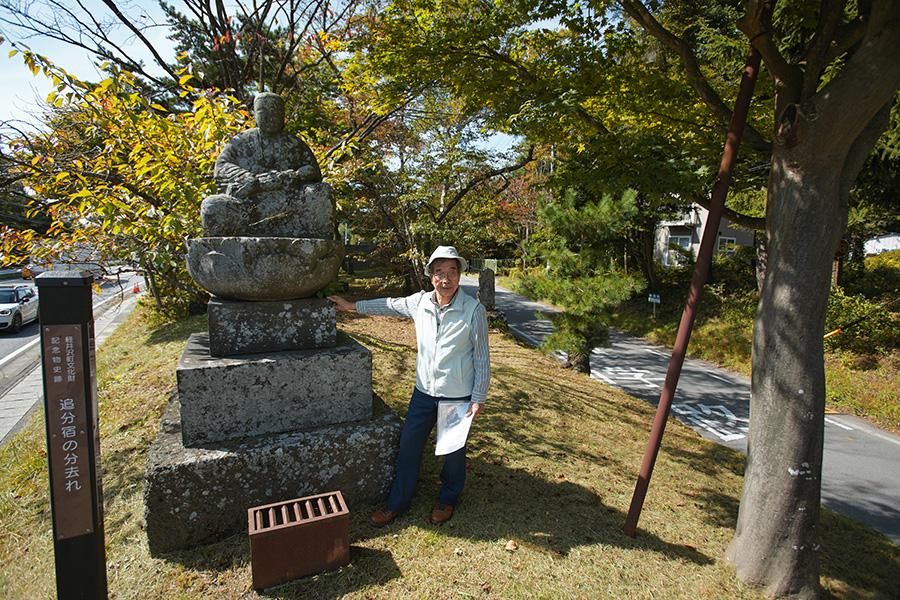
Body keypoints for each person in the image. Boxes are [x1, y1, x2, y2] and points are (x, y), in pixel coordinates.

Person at [328, 246, 489, 526]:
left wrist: (478, 396)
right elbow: (389, 304)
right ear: (430, 276)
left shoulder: (473, 310)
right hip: (423, 393)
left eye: (453, 272)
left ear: (460, 276)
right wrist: (352, 306)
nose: (447, 279)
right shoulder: (420, 303)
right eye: (440, 273)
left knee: (453, 453)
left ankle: (448, 498)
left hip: (457, 396)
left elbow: (482, 357)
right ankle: (397, 502)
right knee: (408, 447)